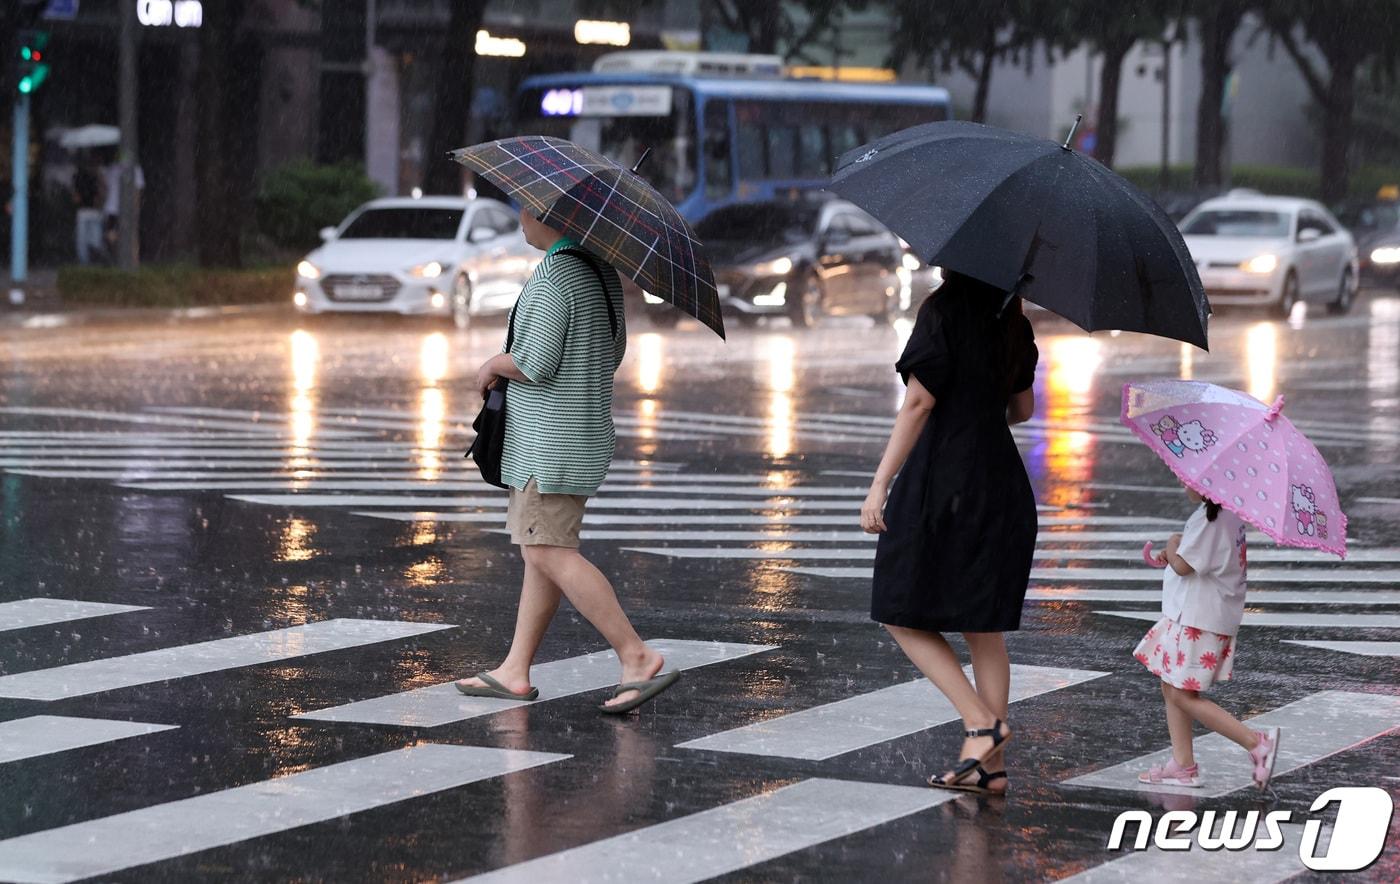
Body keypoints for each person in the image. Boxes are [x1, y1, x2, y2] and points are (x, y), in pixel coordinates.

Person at [454, 207, 680, 714]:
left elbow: (535, 361)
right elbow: (614, 350)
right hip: (581, 431)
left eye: (527, 211)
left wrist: (493, 363)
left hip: (547, 442)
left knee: (549, 553)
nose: (520, 219)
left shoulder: (559, 273)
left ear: (553, 218)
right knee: (542, 554)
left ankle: (635, 654)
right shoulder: (599, 270)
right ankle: (515, 670)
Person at [860, 271, 1038, 794]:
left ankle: (979, 723)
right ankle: (990, 766)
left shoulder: (943, 311)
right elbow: (1022, 409)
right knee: (984, 628)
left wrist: (879, 484)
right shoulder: (1013, 320)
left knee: (898, 607)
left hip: (946, 478)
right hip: (1000, 482)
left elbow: (919, 403)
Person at [1134, 483, 1280, 790]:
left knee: (1182, 694)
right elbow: (1200, 555)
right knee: (1170, 684)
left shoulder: (1212, 520)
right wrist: (1178, 548)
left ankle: (1255, 743)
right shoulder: (1226, 517)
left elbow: (1184, 565)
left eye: (1187, 479)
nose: (1182, 483)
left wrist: (1174, 543)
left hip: (1199, 620)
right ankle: (1183, 765)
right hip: (1202, 617)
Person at [71, 152, 106, 265]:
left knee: (82, 241)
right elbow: (100, 195)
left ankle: (85, 263)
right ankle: (99, 260)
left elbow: (76, 197)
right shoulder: (96, 177)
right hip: (95, 211)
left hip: (83, 211)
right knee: (96, 240)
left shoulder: (77, 178)